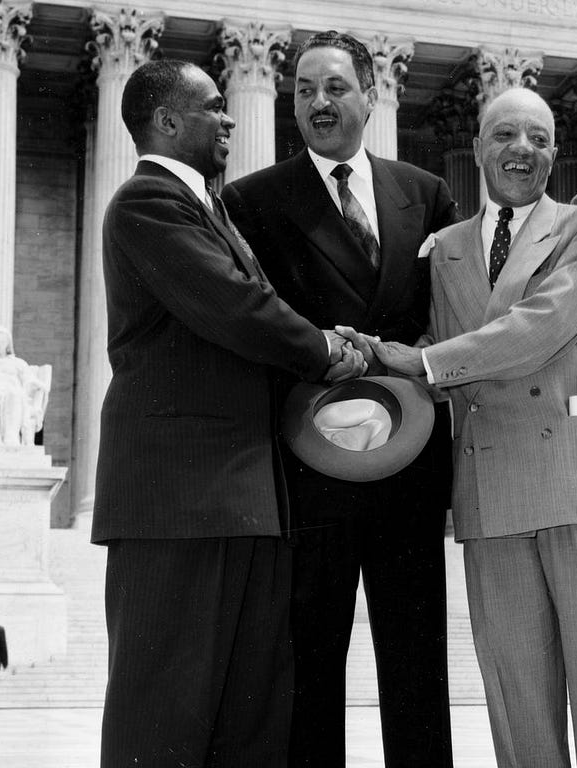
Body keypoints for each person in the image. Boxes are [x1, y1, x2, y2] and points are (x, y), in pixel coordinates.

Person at [359, 87, 577, 768]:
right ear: (480, 147)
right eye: (507, 136)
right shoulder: (447, 249)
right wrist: (362, 355)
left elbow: (538, 329)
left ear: (555, 153)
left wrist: (425, 361)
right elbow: (429, 348)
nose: (523, 150)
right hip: (490, 486)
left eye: (540, 139)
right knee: (517, 702)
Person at [91, 58, 365, 767]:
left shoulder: (209, 209)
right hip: (177, 504)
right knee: (164, 714)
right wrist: (326, 349)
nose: (232, 117)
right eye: (215, 106)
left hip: (242, 498)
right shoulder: (147, 203)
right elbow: (237, 308)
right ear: (169, 121)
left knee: (251, 716)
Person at [221, 30, 459, 768]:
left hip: (409, 461)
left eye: (335, 87)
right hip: (309, 464)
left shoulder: (427, 193)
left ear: (370, 93)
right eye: (303, 90)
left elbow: (447, 318)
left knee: (417, 661)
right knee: (310, 664)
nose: (318, 103)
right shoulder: (251, 200)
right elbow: (251, 323)